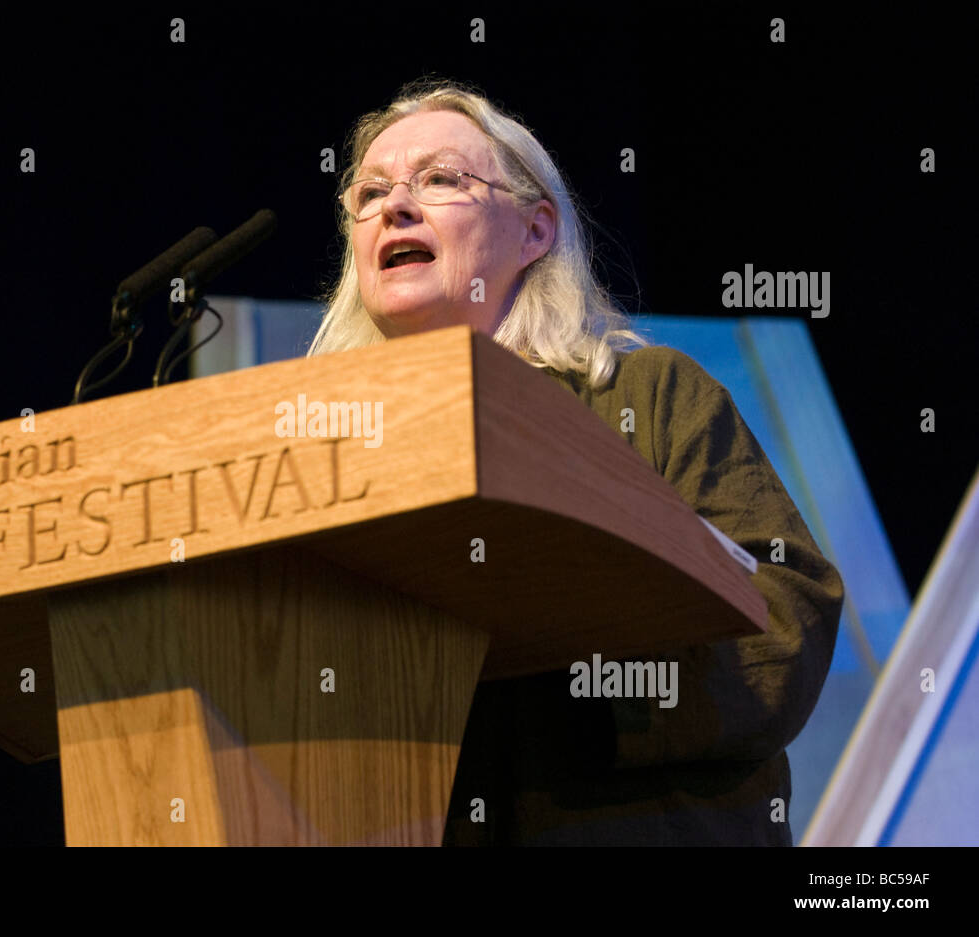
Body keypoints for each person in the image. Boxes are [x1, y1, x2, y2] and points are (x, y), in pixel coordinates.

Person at [308, 79, 845, 845]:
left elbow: (792, 606)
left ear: (534, 229)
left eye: (438, 179)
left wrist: (604, 705)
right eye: (370, 192)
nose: (395, 206)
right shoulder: (328, 448)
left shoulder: (651, 394)